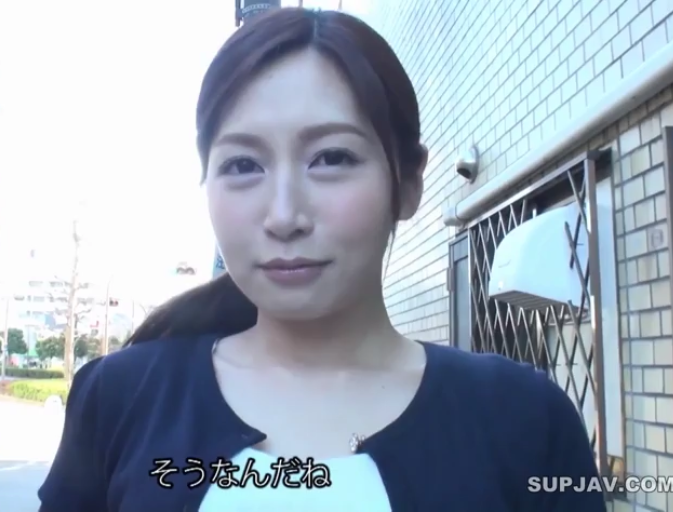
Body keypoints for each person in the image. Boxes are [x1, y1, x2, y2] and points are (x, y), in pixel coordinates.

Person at [38, 8, 606, 512]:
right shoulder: (120, 398)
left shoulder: (523, 420)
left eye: (331, 158)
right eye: (243, 165)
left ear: (408, 182)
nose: (284, 215)